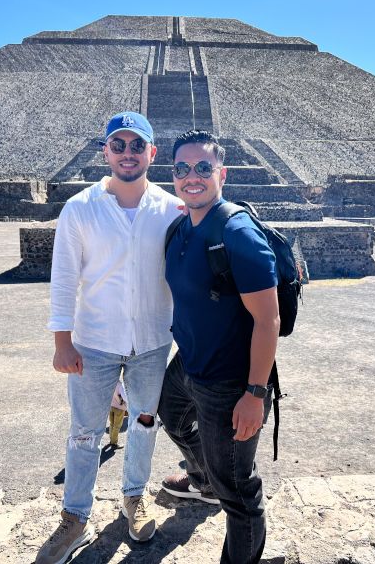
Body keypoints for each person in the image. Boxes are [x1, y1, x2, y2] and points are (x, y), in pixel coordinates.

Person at [36, 111, 183, 564]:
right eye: (118, 145)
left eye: (137, 145)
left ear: (151, 154)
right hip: (93, 341)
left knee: (144, 423)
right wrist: (62, 341)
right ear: (106, 152)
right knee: (84, 432)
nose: (127, 153)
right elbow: (64, 279)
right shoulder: (80, 208)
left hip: (152, 341)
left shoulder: (171, 208)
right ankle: (75, 516)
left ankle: (133, 497)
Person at [159, 130, 279, 564]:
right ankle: (203, 481)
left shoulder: (237, 233)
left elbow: (268, 320)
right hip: (189, 365)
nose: (192, 177)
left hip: (230, 382)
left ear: (221, 174)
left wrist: (255, 394)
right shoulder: (182, 226)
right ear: (172, 175)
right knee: (171, 417)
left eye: (203, 168)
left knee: (240, 492)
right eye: (182, 169)